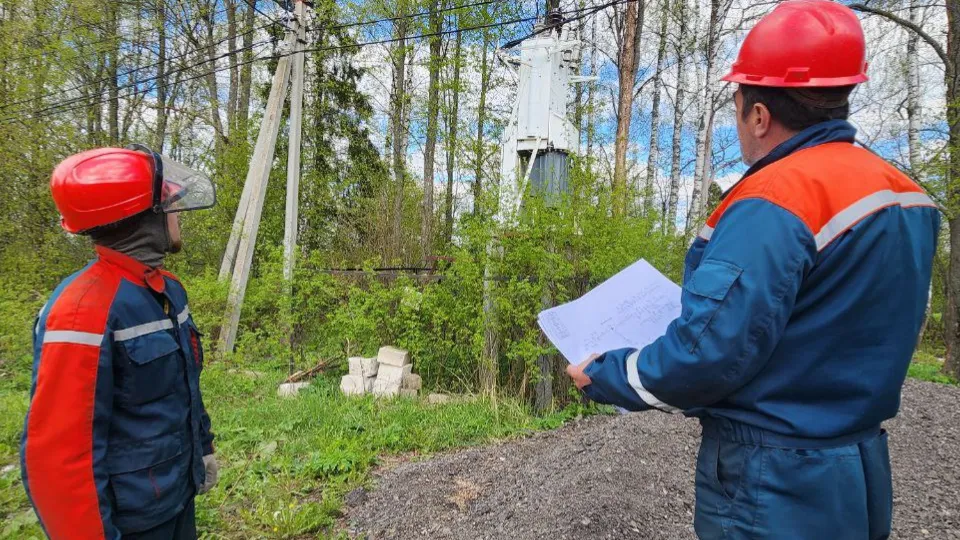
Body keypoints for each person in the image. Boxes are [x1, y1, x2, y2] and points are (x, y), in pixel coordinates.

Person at [565, 2, 940, 539]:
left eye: (737, 107)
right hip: (858, 471)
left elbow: (707, 354)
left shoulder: (776, 198)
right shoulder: (909, 198)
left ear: (759, 114)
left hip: (776, 482)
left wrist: (604, 374)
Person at [20, 145, 220, 540]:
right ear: (144, 218)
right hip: (129, 522)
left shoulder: (168, 291)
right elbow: (59, 459)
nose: (178, 215)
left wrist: (204, 446)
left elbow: (185, 389)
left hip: (176, 496)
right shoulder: (81, 310)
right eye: (170, 206)